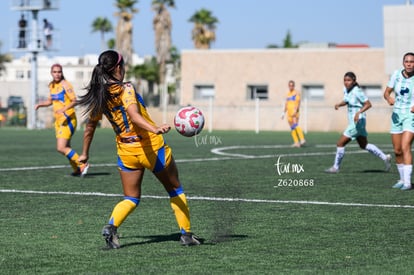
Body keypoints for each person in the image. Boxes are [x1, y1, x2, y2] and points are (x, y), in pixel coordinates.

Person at [77, 50, 200, 249]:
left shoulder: (100, 94)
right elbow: (133, 115)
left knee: (131, 198)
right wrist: (155, 128)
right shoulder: (126, 89)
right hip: (151, 148)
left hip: (126, 153)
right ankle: (186, 234)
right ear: (118, 68)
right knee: (175, 189)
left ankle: (112, 226)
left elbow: (90, 127)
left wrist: (84, 153)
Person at [325, 71, 391, 173]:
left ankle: (335, 168)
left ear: (354, 81)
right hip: (356, 122)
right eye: (345, 80)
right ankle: (385, 157)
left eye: (349, 80)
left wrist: (358, 112)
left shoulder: (357, 91)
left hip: (358, 122)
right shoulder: (346, 90)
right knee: (364, 145)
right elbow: (347, 100)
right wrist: (339, 104)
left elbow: (368, 104)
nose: (346, 82)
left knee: (340, 143)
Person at [35, 64, 89, 177]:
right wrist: (40, 104)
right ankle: (77, 170)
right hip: (59, 121)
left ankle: (82, 164)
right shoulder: (52, 85)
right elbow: (51, 101)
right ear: (51, 73)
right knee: (66, 147)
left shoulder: (65, 85)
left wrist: (63, 109)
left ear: (62, 72)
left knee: (61, 147)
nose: (57, 74)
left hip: (68, 119)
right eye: (54, 72)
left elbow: (74, 100)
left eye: (59, 72)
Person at [384, 52, 414, 190]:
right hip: (396, 115)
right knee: (397, 150)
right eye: (407, 61)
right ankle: (402, 179)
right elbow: (386, 92)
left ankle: (408, 183)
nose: (409, 64)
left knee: (405, 146)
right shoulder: (396, 75)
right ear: (403, 63)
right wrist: (389, 98)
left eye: (412, 62)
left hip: (410, 115)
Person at [281, 80, 306, 147]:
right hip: (288, 113)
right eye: (289, 85)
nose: (291, 86)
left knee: (295, 125)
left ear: (294, 86)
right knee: (292, 128)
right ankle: (296, 142)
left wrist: (296, 110)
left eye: (292, 85)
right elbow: (286, 104)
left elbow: (298, 102)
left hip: (294, 112)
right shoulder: (288, 94)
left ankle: (302, 139)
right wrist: (283, 113)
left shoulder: (296, 93)